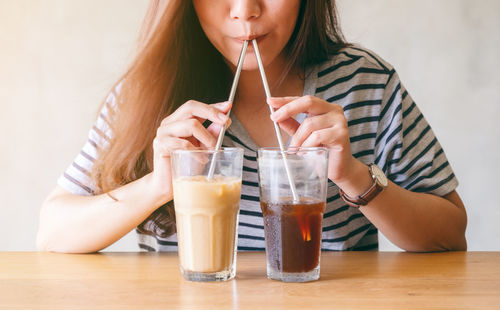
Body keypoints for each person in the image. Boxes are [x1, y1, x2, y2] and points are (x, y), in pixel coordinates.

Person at [37, 0, 467, 253]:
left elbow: (451, 234)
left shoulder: (365, 82)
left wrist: (354, 177)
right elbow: (53, 232)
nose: (246, 11)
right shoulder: (151, 91)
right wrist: (157, 185)